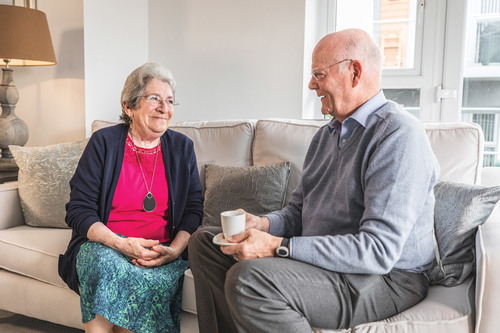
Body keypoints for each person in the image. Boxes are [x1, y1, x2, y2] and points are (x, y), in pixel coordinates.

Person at [188, 29, 440, 332]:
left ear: (355, 72)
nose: (311, 84)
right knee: (205, 242)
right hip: (327, 265)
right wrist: (262, 225)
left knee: (249, 281)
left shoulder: (398, 134)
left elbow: (377, 251)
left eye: (318, 74)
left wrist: (277, 246)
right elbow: (297, 212)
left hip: (385, 279)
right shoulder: (327, 135)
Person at [58, 62, 204, 333]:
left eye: (170, 101)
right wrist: (120, 245)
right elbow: (78, 210)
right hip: (107, 246)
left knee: (137, 296)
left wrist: (174, 251)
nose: (164, 107)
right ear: (129, 106)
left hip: (159, 253)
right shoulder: (104, 143)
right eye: (154, 99)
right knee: (103, 265)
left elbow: (193, 211)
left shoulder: (182, 148)